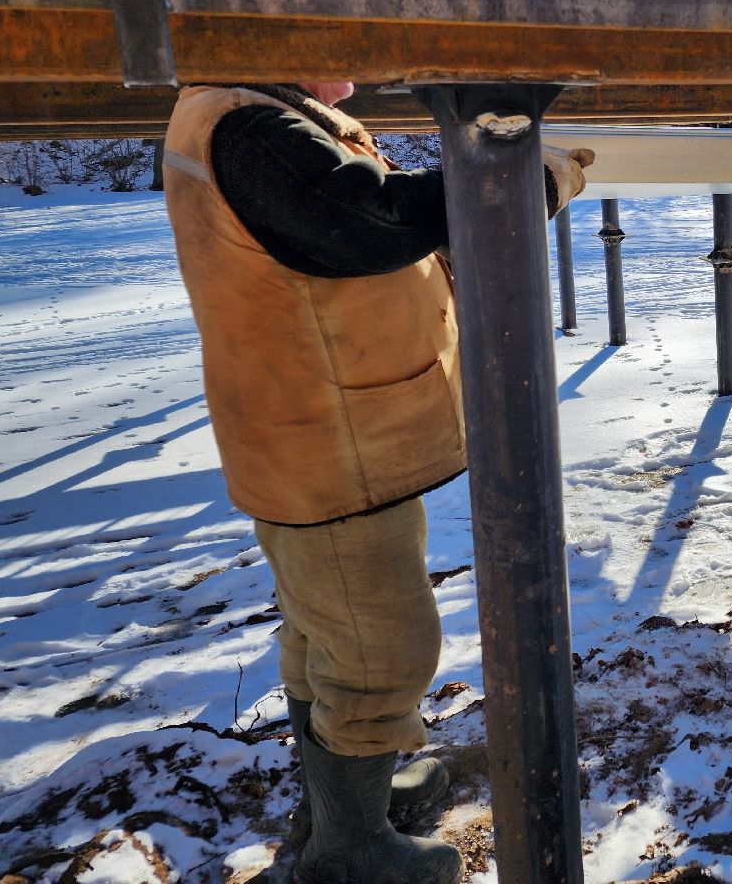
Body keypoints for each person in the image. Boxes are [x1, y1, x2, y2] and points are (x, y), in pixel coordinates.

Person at [162, 81, 591, 884]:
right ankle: (350, 853)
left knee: (323, 635)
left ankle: (342, 803)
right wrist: (519, 182)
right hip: (326, 445)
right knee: (378, 653)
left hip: (324, 431)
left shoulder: (253, 110)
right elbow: (369, 223)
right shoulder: (251, 129)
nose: (353, 67)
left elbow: (350, 230)